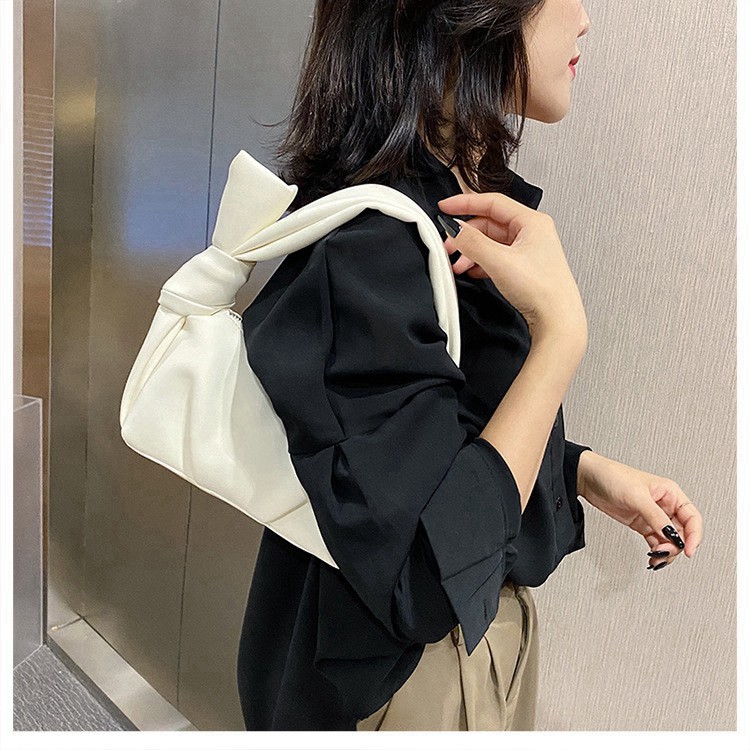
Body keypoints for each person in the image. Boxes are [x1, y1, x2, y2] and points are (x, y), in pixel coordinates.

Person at [236, 0, 703, 732]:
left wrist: (581, 470)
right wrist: (560, 338)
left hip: (469, 648)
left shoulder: (455, 201)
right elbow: (423, 573)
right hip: (401, 680)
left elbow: (428, 440)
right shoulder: (374, 240)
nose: (584, 18)